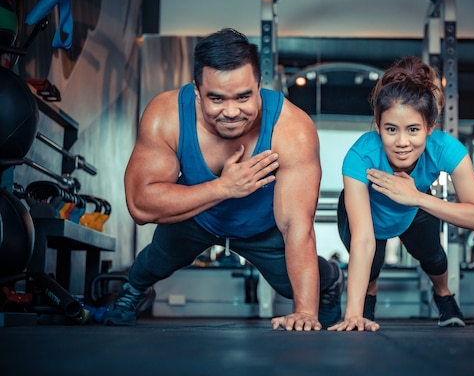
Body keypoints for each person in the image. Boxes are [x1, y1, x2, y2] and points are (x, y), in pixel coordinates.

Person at [104, 28, 344, 330]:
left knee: (292, 285)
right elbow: (141, 207)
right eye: (216, 98)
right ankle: (134, 291)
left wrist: (306, 311)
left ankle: (332, 279)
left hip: (261, 225)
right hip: (196, 217)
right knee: (155, 262)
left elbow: (298, 226)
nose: (231, 111)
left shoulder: (292, 128)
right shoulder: (167, 115)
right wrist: (224, 187)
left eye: (243, 97)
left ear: (259, 86)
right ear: (197, 91)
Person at [329, 56, 474, 332]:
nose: (402, 142)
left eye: (414, 130)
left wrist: (416, 197)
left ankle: (443, 295)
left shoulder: (445, 148)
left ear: (430, 128)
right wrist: (353, 315)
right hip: (367, 216)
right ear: (378, 125)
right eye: (391, 129)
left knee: (434, 258)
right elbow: (363, 241)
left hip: (414, 207)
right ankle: (367, 300)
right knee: (371, 264)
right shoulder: (360, 156)